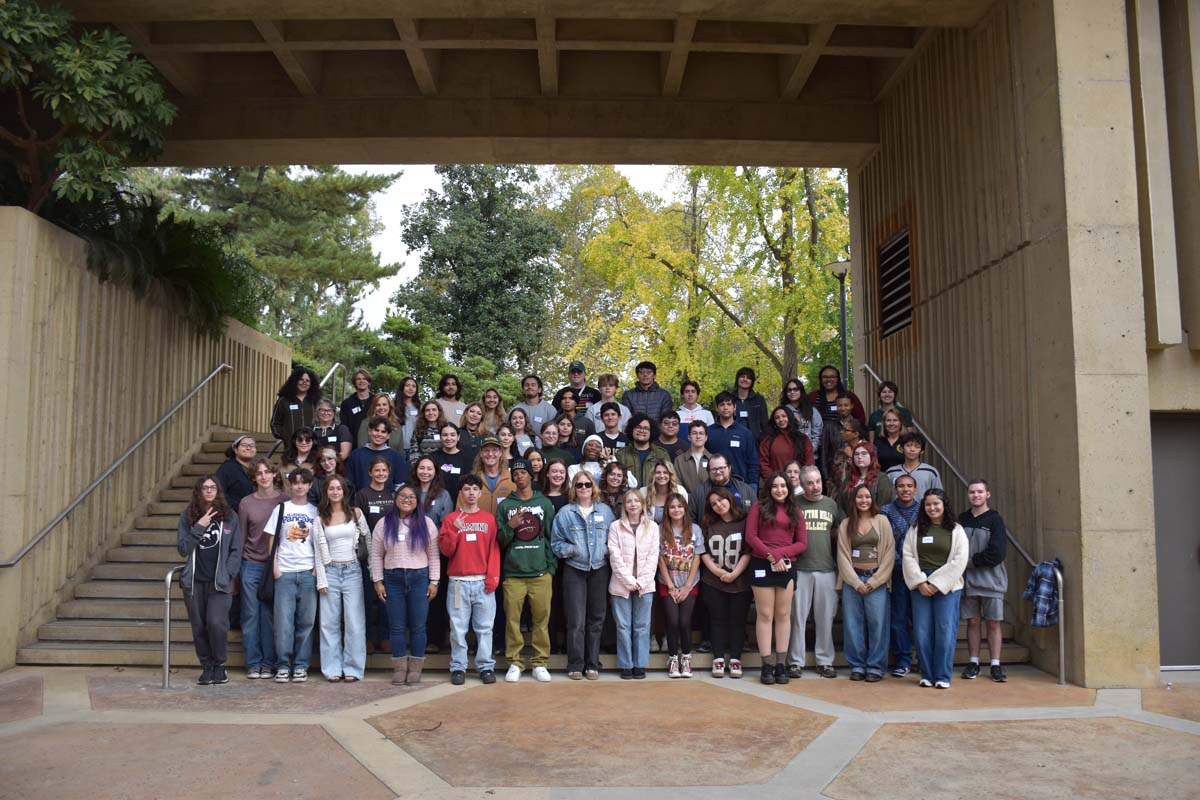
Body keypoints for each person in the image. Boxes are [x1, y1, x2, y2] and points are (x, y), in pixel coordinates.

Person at [372, 483, 440, 685]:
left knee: (418, 626)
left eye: (411, 497)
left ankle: (416, 669)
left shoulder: (426, 523)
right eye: (403, 496)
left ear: (417, 501)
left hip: (419, 578)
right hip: (392, 579)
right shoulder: (384, 523)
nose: (407, 500)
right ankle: (400, 669)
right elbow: (376, 555)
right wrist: (378, 581)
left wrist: (434, 581)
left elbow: (433, 555)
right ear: (396, 499)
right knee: (396, 627)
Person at [497, 458, 557, 683]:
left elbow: (551, 537)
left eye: (523, 472)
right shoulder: (506, 506)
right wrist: (510, 527)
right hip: (514, 574)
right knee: (512, 621)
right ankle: (515, 662)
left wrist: (550, 567)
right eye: (516, 473)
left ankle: (540, 663)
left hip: (540, 573)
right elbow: (499, 541)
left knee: (541, 620)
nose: (519, 476)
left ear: (531, 475)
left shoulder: (544, 503)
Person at [178, 475, 241, 685]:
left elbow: (236, 549)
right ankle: (206, 666)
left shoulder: (230, 516)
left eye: (212, 487)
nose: (209, 491)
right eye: (204, 488)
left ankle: (220, 665)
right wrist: (199, 526)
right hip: (194, 582)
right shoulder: (187, 516)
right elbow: (183, 549)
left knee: (216, 623)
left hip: (219, 582)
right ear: (198, 491)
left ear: (218, 491)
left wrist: (229, 573)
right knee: (199, 627)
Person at [551, 471, 614, 680]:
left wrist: (605, 551)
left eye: (587, 484)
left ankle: (593, 664)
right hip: (574, 570)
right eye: (579, 485)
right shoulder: (565, 513)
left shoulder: (605, 511)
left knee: (597, 619)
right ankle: (575, 664)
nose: (584, 488)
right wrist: (573, 550)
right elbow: (556, 543)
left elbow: (614, 539)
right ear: (574, 488)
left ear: (593, 487)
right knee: (576, 620)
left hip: (599, 569)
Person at [745, 472, 808, 685]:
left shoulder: (796, 511)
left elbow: (802, 543)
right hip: (762, 564)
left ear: (789, 489)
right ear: (769, 488)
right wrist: (771, 555)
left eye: (783, 486)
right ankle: (766, 664)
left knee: (783, 614)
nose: (779, 490)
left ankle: (781, 664)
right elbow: (751, 536)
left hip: (786, 565)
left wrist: (780, 555)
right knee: (764, 614)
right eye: (775, 486)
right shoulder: (758, 507)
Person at [903, 488, 969, 688]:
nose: (932, 508)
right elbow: (908, 555)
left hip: (947, 586)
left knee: (945, 630)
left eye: (936, 504)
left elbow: (960, 560)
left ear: (944, 505)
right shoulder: (916, 529)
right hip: (920, 584)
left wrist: (937, 583)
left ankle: (942, 676)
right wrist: (921, 582)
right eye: (928, 504)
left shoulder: (956, 530)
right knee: (922, 631)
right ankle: (926, 674)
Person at [439, 475, 501, 685]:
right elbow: (446, 551)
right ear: (460, 493)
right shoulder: (451, 519)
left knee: (485, 628)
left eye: (475, 489)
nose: (471, 493)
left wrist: (492, 578)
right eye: (467, 489)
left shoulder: (489, 519)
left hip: (483, 581)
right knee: (458, 628)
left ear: (480, 493)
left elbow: (494, 551)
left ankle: (485, 666)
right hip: (458, 582)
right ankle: (458, 667)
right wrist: (454, 529)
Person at [788, 465, 845, 679]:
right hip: (800, 569)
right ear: (802, 485)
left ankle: (825, 661)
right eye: (810, 483)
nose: (815, 486)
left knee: (825, 618)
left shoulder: (831, 505)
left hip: (826, 568)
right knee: (797, 618)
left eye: (818, 481)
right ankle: (796, 662)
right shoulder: (794, 504)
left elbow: (841, 531)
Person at [836, 485, 895, 682]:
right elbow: (842, 555)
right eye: (859, 497)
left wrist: (875, 581)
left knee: (878, 624)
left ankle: (875, 666)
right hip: (853, 581)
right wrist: (855, 582)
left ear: (872, 499)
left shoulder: (882, 521)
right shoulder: (846, 524)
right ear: (854, 500)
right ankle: (857, 665)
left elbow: (889, 553)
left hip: (876, 582)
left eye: (867, 497)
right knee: (853, 625)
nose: (863, 500)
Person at [313, 475, 369, 682]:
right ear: (326, 492)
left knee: (354, 622)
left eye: (339, 488)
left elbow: (368, 540)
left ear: (344, 491)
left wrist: (373, 571)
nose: (335, 492)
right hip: (330, 571)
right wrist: (321, 580)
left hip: (352, 570)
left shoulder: (355, 513)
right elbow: (318, 551)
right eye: (331, 488)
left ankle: (353, 668)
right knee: (329, 623)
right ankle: (332, 668)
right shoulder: (320, 518)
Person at [266, 468, 319, 683]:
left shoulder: (315, 511)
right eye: (295, 482)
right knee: (283, 623)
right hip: (285, 572)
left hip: (308, 571)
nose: (299, 486)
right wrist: (275, 567)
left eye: (303, 482)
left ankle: (300, 665)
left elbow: (319, 541)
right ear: (290, 485)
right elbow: (273, 539)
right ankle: (283, 665)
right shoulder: (281, 509)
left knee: (306, 622)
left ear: (309, 485)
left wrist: (316, 568)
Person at [238, 457, 285, 679]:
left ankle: (268, 663)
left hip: (275, 564)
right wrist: (235, 571)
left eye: (267, 472)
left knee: (269, 616)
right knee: (250, 615)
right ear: (254, 477)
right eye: (259, 473)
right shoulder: (246, 503)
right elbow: (241, 537)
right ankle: (253, 663)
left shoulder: (284, 500)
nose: (264, 476)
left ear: (274, 474)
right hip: (251, 564)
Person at [959, 479, 1009, 682]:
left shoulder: (995, 520)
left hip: (991, 581)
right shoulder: (962, 519)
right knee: (972, 622)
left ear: (987, 494)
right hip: (968, 582)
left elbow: (997, 553)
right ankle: (974, 662)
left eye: (980, 491)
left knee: (993, 623)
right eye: (972, 492)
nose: (976, 495)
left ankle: (995, 664)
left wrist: (970, 562)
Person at [700, 487, 752, 679]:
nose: (718, 505)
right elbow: (702, 551)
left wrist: (735, 573)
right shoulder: (709, 524)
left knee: (738, 621)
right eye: (713, 504)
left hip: (740, 582)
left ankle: (736, 659)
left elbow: (748, 551)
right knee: (717, 620)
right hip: (713, 581)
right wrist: (716, 571)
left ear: (729, 499)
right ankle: (719, 658)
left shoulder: (744, 521)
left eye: (721, 500)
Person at [608, 489, 659, 679]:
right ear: (624, 505)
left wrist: (642, 581)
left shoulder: (652, 527)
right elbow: (614, 556)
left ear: (642, 504)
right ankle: (626, 665)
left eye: (636, 501)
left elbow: (653, 556)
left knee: (642, 626)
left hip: (645, 585)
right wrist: (629, 580)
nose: (633, 504)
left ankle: (640, 664)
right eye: (629, 501)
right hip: (621, 584)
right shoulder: (615, 526)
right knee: (623, 626)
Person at [352, 456, 396, 655]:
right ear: (370, 472)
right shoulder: (362, 495)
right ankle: (369, 637)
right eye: (377, 470)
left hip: (390, 553)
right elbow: (358, 525)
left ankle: (386, 637)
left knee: (388, 598)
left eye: (384, 470)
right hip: (368, 554)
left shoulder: (393, 494)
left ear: (388, 473)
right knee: (368, 598)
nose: (380, 474)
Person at [410, 455, 453, 656]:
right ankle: (417, 637)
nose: (425, 472)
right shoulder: (409, 491)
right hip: (411, 551)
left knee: (436, 596)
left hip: (436, 551)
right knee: (415, 596)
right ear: (416, 470)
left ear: (435, 472)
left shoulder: (443, 495)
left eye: (429, 468)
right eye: (422, 468)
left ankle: (436, 639)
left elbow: (447, 525)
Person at [656, 495, 703, 679]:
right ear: (667, 510)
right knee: (673, 621)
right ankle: (673, 659)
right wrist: (670, 586)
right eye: (672, 507)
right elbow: (660, 559)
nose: (676, 510)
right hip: (667, 582)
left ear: (685, 508)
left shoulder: (695, 529)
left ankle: (686, 658)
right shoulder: (660, 529)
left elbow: (697, 558)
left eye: (680, 506)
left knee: (684, 622)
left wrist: (687, 586)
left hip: (689, 583)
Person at [881, 473, 921, 677]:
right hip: (896, 572)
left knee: (921, 619)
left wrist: (914, 567)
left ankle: (923, 659)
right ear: (895, 490)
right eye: (901, 486)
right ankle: (903, 660)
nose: (906, 489)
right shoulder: (885, 511)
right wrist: (901, 563)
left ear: (915, 489)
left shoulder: (924, 510)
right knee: (898, 619)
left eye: (909, 486)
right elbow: (884, 543)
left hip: (921, 575)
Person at [706, 391, 759, 491]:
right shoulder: (708, 432)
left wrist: (753, 485)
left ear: (734, 407)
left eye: (729, 404)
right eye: (722, 404)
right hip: (714, 485)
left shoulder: (745, 433)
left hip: (740, 485)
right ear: (717, 408)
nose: (725, 407)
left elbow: (753, 461)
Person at [345, 417, 408, 492]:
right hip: (361, 498)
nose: (379, 434)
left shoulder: (396, 457)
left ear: (388, 435)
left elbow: (400, 486)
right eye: (376, 430)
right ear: (369, 431)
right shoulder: (356, 455)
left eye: (383, 432)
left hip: (388, 498)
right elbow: (349, 484)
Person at [687, 453, 754, 522]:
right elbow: (690, 519)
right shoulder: (699, 493)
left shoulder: (746, 490)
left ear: (729, 468)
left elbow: (755, 515)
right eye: (714, 469)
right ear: (708, 472)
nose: (718, 472)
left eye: (721, 468)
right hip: (710, 528)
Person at [457, 436, 514, 516]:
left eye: (494, 450)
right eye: (486, 450)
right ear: (481, 453)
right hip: (478, 523)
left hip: (504, 524)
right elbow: (459, 511)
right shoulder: (470, 480)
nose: (490, 454)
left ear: (500, 453)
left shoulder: (512, 479)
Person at [835, 441, 894, 516]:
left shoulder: (882, 478)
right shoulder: (848, 479)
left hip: (874, 520)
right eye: (856, 454)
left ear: (872, 457)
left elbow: (884, 506)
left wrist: (869, 521)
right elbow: (840, 504)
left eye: (864, 453)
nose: (859, 457)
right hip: (849, 521)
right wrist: (845, 521)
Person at [759, 406, 815, 479]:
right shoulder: (767, 440)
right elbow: (763, 463)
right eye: (777, 418)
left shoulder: (803, 439)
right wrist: (774, 480)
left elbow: (809, 462)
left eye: (784, 416)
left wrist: (801, 479)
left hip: (800, 482)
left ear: (790, 417)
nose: (781, 419)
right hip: (777, 483)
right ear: (774, 421)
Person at [885, 432, 944, 501]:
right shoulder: (891, 472)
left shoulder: (931, 472)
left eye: (917, 446)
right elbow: (886, 497)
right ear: (902, 448)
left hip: (922, 508)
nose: (912, 449)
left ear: (922, 451)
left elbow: (939, 496)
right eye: (908, 445)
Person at [616, 414, 671, 488]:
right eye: (638, 427)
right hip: (630, 495)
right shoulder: (621, 454)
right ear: (631, 430)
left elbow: (670, 478)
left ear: (651, 432)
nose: (642, 430)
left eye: (646, 428)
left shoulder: (662, 454)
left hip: (654, 494)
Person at [270, 366, 321, 445]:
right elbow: (275, 423)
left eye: (308, 381)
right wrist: (285, 437)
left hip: (312, 445)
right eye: (301, 379)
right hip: (290, 446)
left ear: (311, 384)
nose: (304, 382)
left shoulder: (316, 401)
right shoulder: (284, 401)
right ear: (294, 381)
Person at [781, 378, 823, 459]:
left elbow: (817, 434)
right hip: (789, 457)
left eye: (795, 389)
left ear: (801, 391)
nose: (792, 392)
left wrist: (809, 450)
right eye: (789, 390)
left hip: (810, 456)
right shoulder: (782, 411)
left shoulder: (812, 410)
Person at [432, 422, 473, 503]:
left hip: (460, 502)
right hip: (438, 502)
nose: (449, 438)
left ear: (458, 437)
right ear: (440, 437)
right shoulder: (433, 457)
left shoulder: (467, 458)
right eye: (445, 435)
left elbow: (469, 484)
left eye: (452, 435)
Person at [216, 435, 257, 511]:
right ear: (235, 450)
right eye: (244, 445)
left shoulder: (258, 469)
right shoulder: (227, 468)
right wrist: (239, 508)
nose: (248, 448)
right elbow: (218, 493)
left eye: (252, 445)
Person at [674, 421, 713, 498]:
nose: (698, 436)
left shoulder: (713, 459)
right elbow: (677, 485)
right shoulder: (679, 460)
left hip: (709, 501)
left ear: (706, 437)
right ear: (689, 437)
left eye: (701, 433)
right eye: (694, 433)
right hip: (686, 501)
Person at [732, 366, 770, 440]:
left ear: (752, 382)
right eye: (742, 376)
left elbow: (765, 423)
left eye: (748, 378)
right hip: (733, 438)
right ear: (737, 379)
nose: (745, 379)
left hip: (754, 440)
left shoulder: (759, 400)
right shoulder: (730, 399)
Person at [340, 368, 374, 440]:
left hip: (374, 441)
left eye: (364, 379)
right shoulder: (347, 403)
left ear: (369, 382)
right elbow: (344, 426)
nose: (361, 381)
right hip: (353, 442)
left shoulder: (376, 401)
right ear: (354, 382)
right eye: (358, 379)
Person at [395, 376, 422, 450]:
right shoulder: (393, 406)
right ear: (402, 387)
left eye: (414, 386)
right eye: (407, 385)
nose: (411, 388)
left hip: (415, 448)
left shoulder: (421, 407)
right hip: (397, 448)